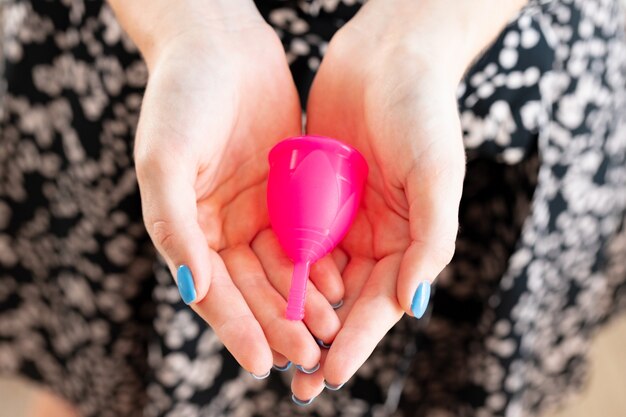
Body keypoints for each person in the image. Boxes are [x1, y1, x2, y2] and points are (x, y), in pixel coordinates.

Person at [1, 0, 625, 416]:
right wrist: (190, 20)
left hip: (493, 51)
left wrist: (421, 32)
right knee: (108, 388)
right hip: (140, 48)